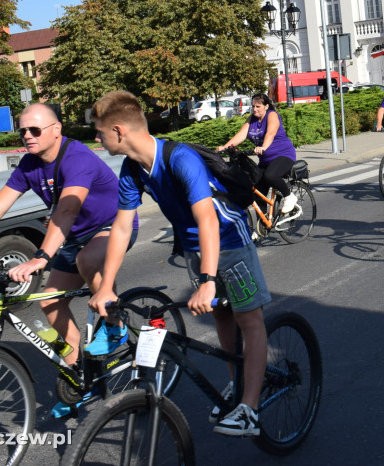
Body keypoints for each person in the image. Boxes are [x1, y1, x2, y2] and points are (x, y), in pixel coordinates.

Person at [89, 91, 269, 438]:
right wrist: (107, 284)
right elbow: (122, 225)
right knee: (220, 314)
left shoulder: (180, 157)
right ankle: (236, 383)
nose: (97, 139)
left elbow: (208, 220)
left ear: (118, 130)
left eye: (99, 132)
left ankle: (250, 408)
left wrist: (208, 279)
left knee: (249, 319)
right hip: (192, 247)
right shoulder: (131, 168)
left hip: (228, 239)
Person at [0, 104, 137, 377]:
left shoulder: (77, 158)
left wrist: (40, 257)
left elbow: (67, 210)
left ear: (56, 130)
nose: (28, 136)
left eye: (35, 129)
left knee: (87, 258)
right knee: (49, 300)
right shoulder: (29, 164)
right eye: (23, 131)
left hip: (112, 225)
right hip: (74, 235)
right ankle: (78, 370)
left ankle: (115, 322)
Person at [217, 94, 298, 215]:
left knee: (270, 176)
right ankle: (264, 226)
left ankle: (289, 196)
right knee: (256, 192)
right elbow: (241, 135)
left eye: (258, 106)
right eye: (253, 106)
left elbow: (270, 133)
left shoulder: (272, 115)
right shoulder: (252, 119)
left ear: (266, 106)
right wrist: (225, 147)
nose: (254, 109)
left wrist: (264, 147)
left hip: (283, 155)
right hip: (265, 160)